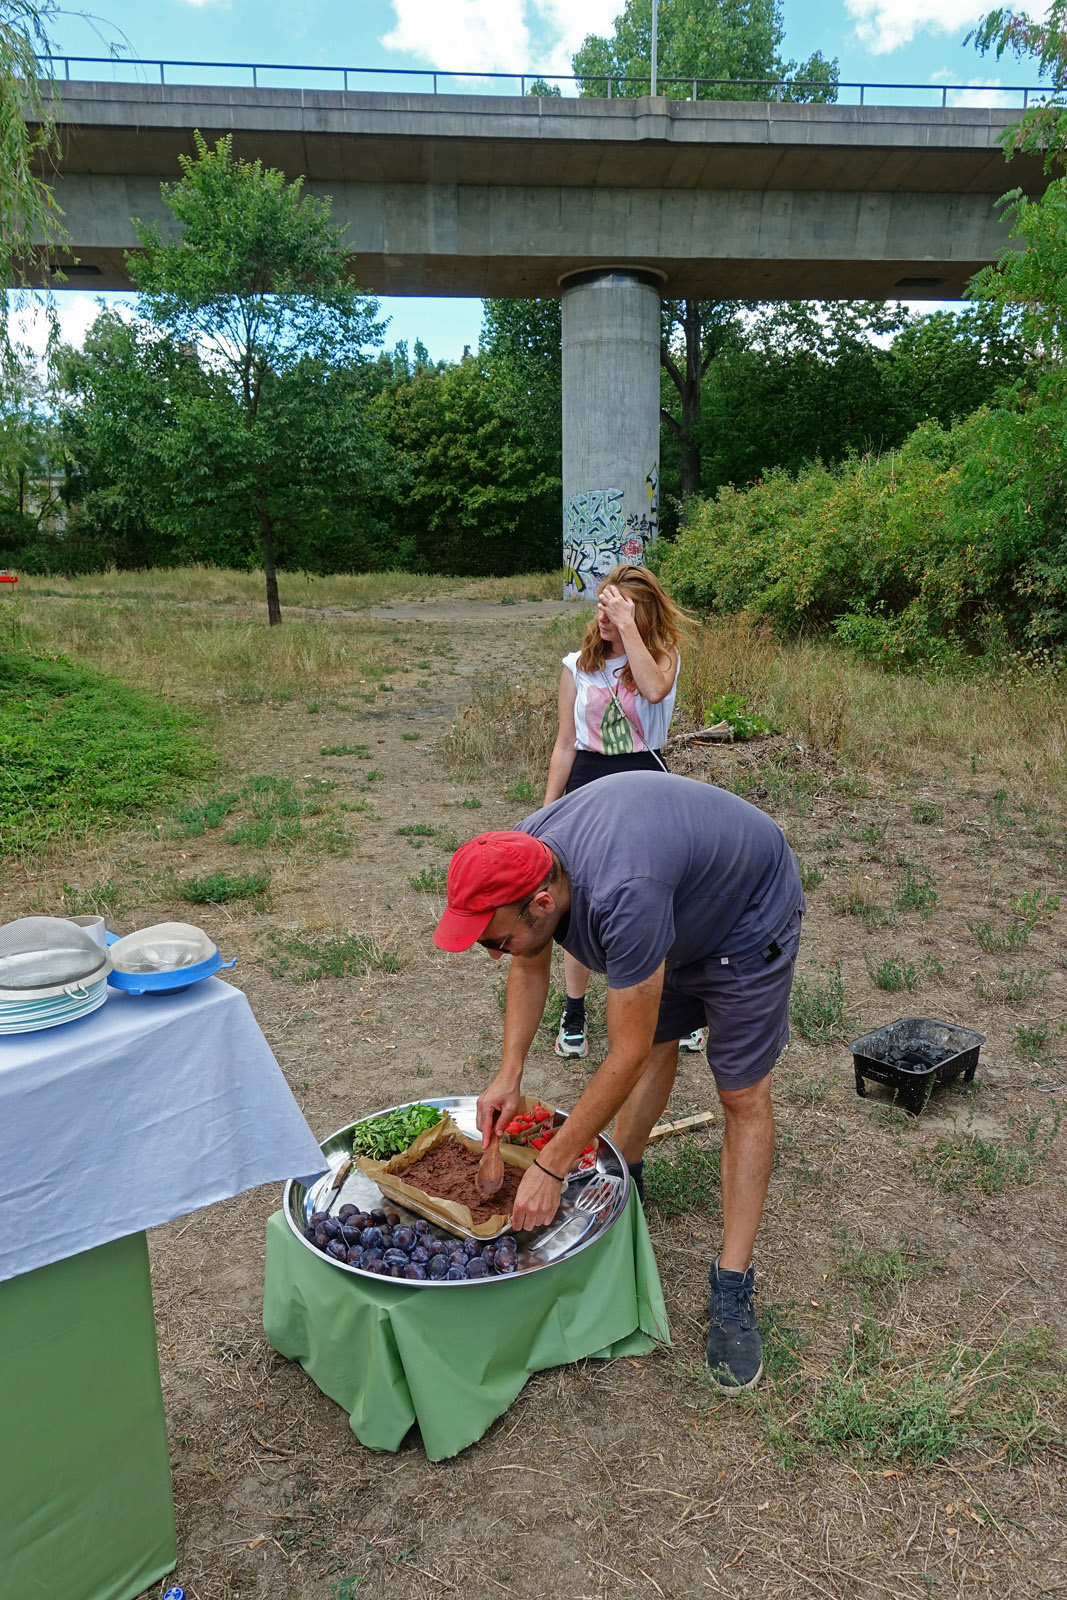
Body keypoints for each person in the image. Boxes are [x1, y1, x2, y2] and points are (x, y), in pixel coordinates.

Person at [432, 772, 804, 1394]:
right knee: (659, 1042)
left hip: (746, 912)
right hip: (676, 900)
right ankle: (624, 1179)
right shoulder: (525, 855)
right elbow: (529, 962)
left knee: (740, 1094)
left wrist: (552, 1164)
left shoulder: (624, 896)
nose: (493, 954)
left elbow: (622, 1055)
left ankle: (733, 1285)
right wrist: (508, 1073)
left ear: (543, 903)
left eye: (494, 939)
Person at [543, 563, 704, 1060]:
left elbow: (654, 690)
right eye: (602, 606)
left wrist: (629, 626)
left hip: (646, 782)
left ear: (639, 611)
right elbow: (565, 744)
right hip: (588, 781)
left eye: (616, 607)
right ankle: (574, 1013)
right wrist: (548, 813)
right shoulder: (577, 666)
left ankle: (680, 1009)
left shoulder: (662, 657)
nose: (605, 615)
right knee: (579, 900)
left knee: (658, 897)